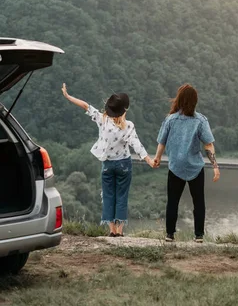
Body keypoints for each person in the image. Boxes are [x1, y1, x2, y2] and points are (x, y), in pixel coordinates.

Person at [62, 83, 155, 237]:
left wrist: (67, 96)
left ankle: (111, 230)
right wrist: (150, 161)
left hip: (107, 165)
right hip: (124, 164)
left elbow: (85, 106)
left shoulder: (103, 119)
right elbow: (137, 146)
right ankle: (120, 231)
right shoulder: (128, 126)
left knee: (108, 196)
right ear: (125, 110)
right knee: (121, 196)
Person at [153, 84, 221, 243]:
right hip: (195, 167)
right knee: (199, 202)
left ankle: (170, 234)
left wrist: (157, 158)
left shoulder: (170, 119)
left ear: (179, 100)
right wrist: (215, 166)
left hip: (175, 166)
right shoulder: (200, 121)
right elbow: (208, 145)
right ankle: (199, 235)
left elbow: (161, 142)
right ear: (195, 101)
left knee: (172, 202)